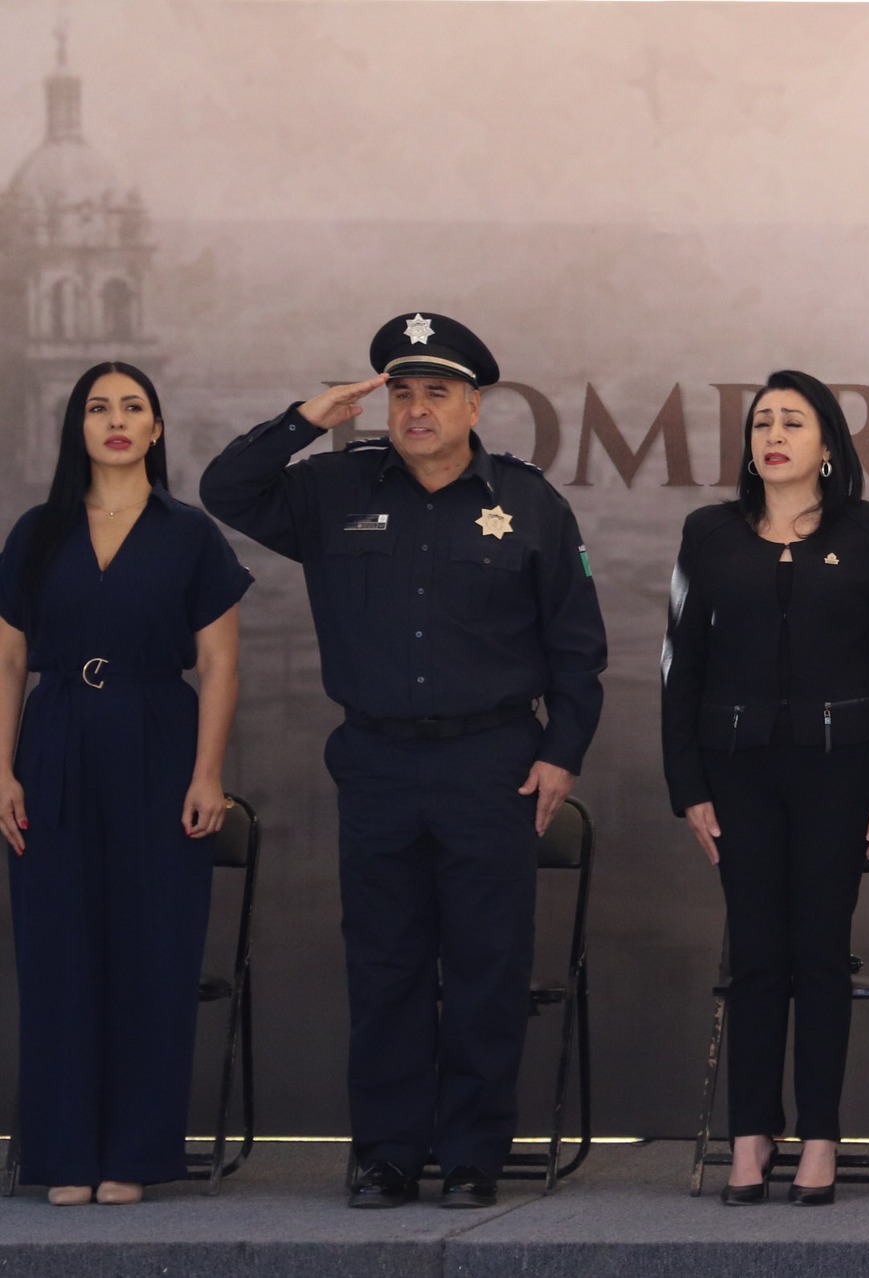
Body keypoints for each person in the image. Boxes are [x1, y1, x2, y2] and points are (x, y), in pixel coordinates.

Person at [199, 313, 607, 1209]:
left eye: (437, 393)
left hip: (494, 763)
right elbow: (225, 488)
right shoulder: (332, 487)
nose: (418, 410)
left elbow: (578, 646)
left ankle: (471, 1155)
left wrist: (562, 755)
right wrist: (304, 421)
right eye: (403, 393)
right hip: (378, 761)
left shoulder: (529, 501)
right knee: (385, 966)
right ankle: (386, 1154)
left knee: (487, 967)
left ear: (474, 405)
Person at [661, 370, 869, 1207]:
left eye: (793, 422)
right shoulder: (708, 534)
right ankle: (749, 1135)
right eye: (762, 423)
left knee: (818, 952)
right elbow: (678, 666)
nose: (774, 436)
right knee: (756, 955)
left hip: (840, 771)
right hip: (736, 770)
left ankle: (819, 1137)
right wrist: (686, 783)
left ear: (829, 444)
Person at [0, 363, 250, 1206]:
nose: (116, 419)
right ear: (78, 426)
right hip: (56, 736)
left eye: (133, 407)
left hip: (158, 736)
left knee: (153, 948)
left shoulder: (191, 534)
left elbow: (219, 664)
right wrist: (0, 768)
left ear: (156, 428)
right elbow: (7, 661)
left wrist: (207, 773)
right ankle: (63, 1154)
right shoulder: (37, 531)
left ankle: (134, 1156)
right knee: (56, 950)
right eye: (98, 407)